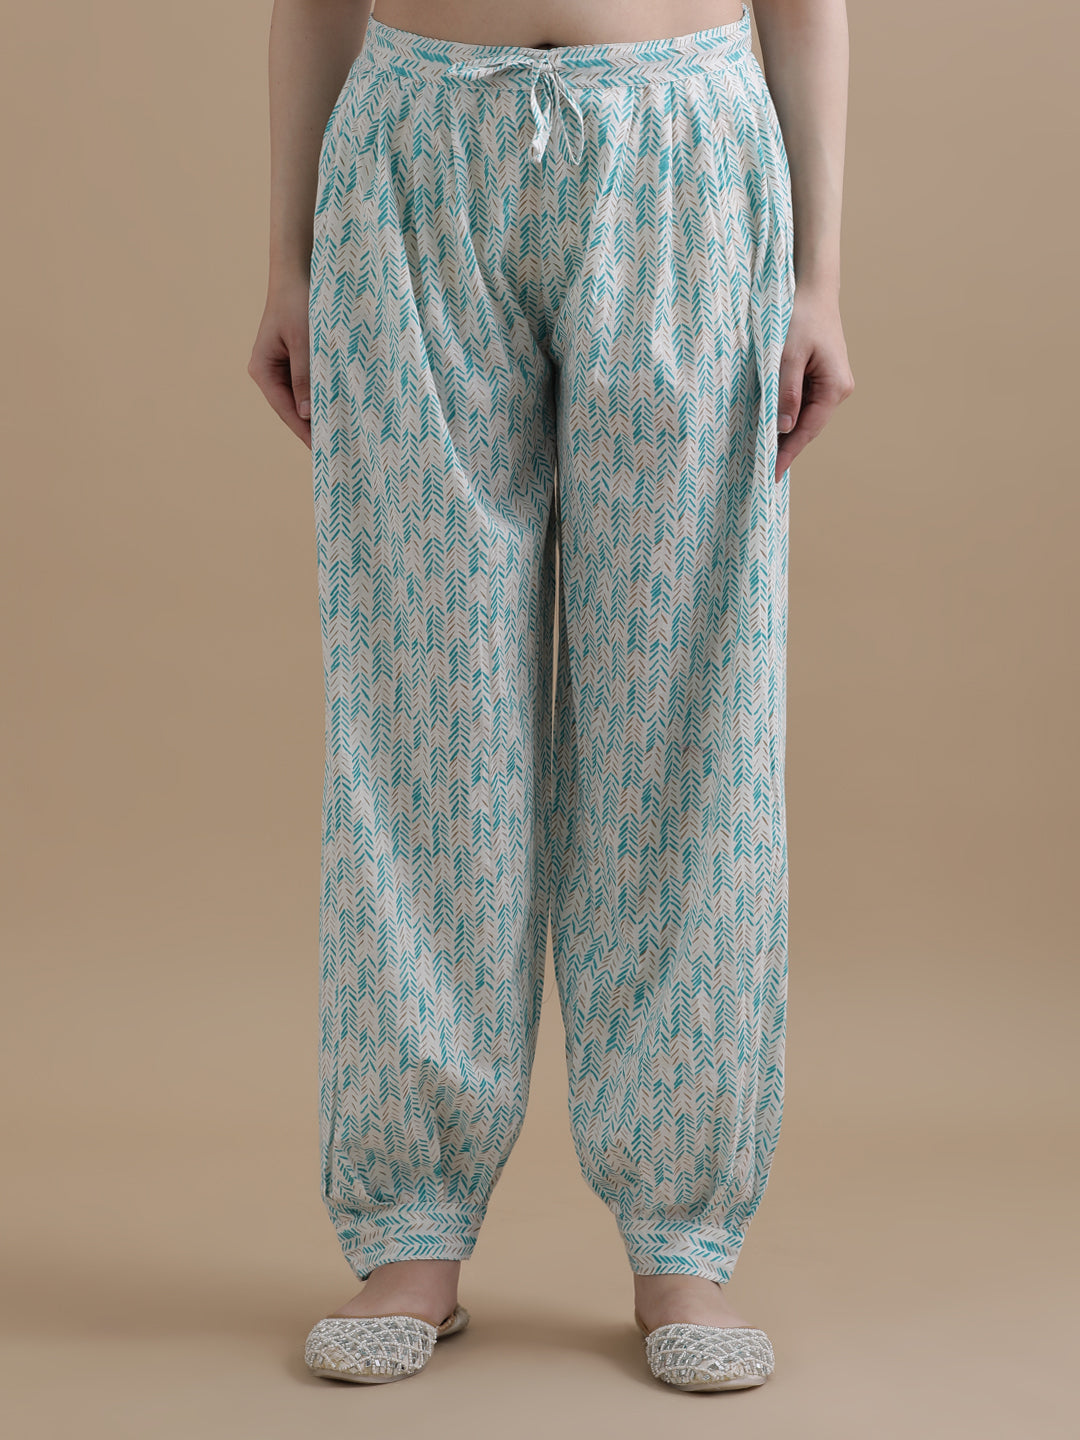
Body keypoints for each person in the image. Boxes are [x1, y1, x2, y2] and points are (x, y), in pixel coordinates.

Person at [248, 0, 852, 1391]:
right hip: (413, 153)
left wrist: (819, 276)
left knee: (690, 709)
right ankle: (411, 1222)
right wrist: (288, 259)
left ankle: (684, 1235)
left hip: (683, 149)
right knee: (421, 719)